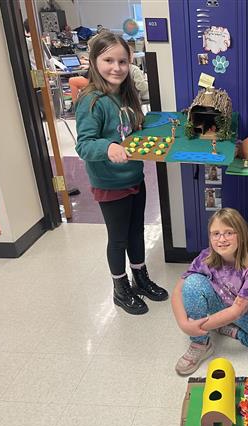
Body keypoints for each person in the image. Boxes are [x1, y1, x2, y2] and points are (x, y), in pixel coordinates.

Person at [75, 32, 168, 315]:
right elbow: (84, 144)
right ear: (93, 61)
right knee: (118, 238)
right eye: (108, 60)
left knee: (136, 232)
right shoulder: (92, 101)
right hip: (109, 183)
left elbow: (132, 130)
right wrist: (109, 147)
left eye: (123, 61)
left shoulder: (126, 95)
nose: (116, 67)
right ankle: (120, 288)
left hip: (133, 177)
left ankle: (140, 278)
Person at [171, 208, 248, 375]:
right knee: (192, 283)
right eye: (216, 234)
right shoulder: (206, 257)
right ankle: (200, 343)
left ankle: (234, 332)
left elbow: (236, 311)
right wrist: (185, 325)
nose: (222, 239)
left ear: (241, 235)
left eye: (229, 233)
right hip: (219, 304)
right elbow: (178, 289)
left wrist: (196, 325)